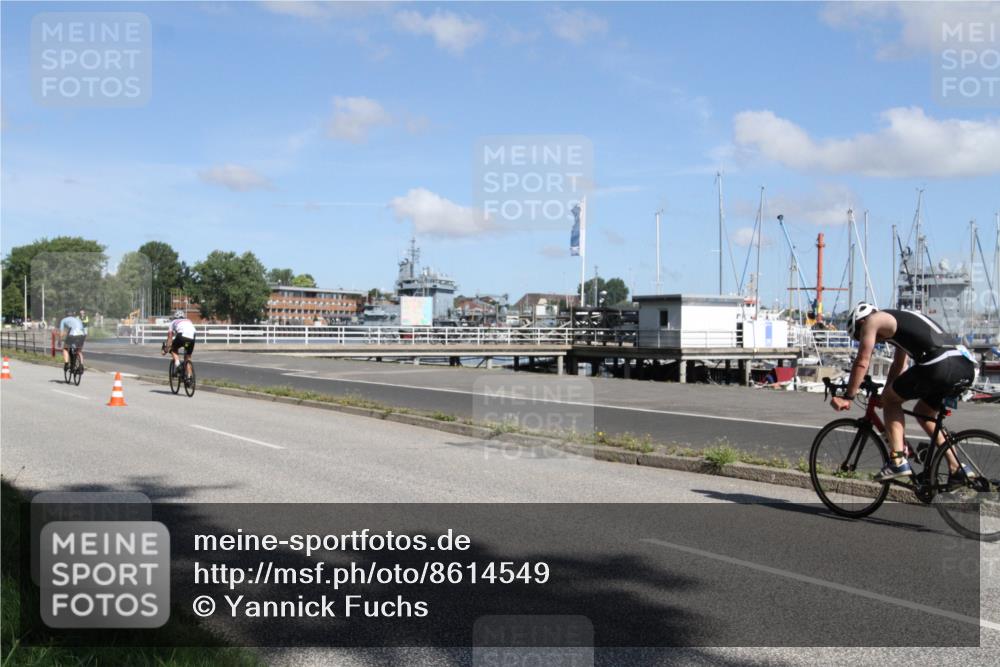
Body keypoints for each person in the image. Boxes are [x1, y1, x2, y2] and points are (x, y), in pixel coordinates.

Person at [831, 303, 977, 482]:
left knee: (892, 401)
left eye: (861, 336)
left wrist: (848, 396)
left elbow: (862, 360)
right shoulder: (904, 319)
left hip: (940, 364)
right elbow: (899, 365)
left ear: (861, 322)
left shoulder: (873, 320)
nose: (875, 341)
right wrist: (886, 394)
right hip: (965, 366)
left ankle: (898, 460)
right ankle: (957, 468)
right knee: (923, 413)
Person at [163, 310, 196, 375]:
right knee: (188, 356)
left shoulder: (173, 322)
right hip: (192, 338)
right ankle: (189, 378)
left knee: (173, 349)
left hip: (181, 337)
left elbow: (170, 337)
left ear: (175, 316)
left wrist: (166, 348)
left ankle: (178, 366)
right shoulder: (188, 320)